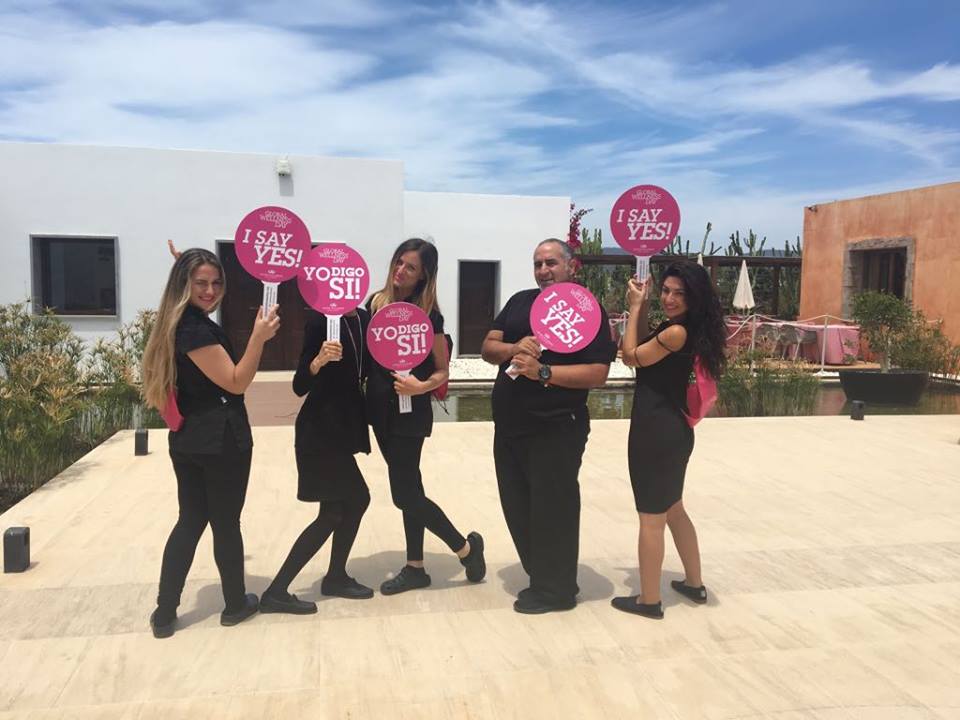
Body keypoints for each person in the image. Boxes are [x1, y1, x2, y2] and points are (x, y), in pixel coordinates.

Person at [142, 248, 280, 638]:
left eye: (216, 282)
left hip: (188, 438)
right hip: (220, 442)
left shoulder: (178, 322)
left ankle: (164, 613)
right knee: (224, 523)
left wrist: (185, 259)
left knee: (190, 521)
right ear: (183, 284)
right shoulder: (195, 330)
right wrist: (258, 338)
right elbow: (236, 381)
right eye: (200, 282)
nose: (210, 290)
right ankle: (235, 604)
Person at [481, 238, 616, 614]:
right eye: (538, 263)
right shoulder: (520, 302)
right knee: (517, 504)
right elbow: (488, 346)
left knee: (553, 508)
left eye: (551, 263)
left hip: (556, 427)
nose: (543, 270)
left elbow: (598, 373)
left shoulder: (587, 310)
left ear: (571, 266)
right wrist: (513, 348)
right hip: (510, 426)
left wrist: (544, 372)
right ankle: (542, 575)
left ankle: (556, 591)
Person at [365, 238, 486, 594]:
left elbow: (442, 371)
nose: (401, 271)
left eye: (411, 267)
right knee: (410, 487)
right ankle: (415, 567)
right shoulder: (375, 304)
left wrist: (420, 387)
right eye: (399, 262)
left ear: (423, 276)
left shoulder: (430, 316)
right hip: (380, 411)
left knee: (404, 494)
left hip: (411, 412)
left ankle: (465, 549)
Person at [612, 259, 726, 618]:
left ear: (694, 297)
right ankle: (694, 583)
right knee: (674, 509)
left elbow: (631, 356)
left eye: (680, 293)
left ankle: (649, 601)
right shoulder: (684, 328)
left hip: (655, 432)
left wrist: (633, 307)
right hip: (674, 431)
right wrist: (643, 303)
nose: (670, 298)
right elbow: (646, 342)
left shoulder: (676, 333)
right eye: (666, 291)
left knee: (651, 518)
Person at [258, 307, 375, 613]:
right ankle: (278, 591)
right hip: (320, 429)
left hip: (343, 428)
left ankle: (333, 577)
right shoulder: (320, 320)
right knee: (343, 507)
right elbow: (299, 385)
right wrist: (318, 361)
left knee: (346, 504)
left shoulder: (364, 319)